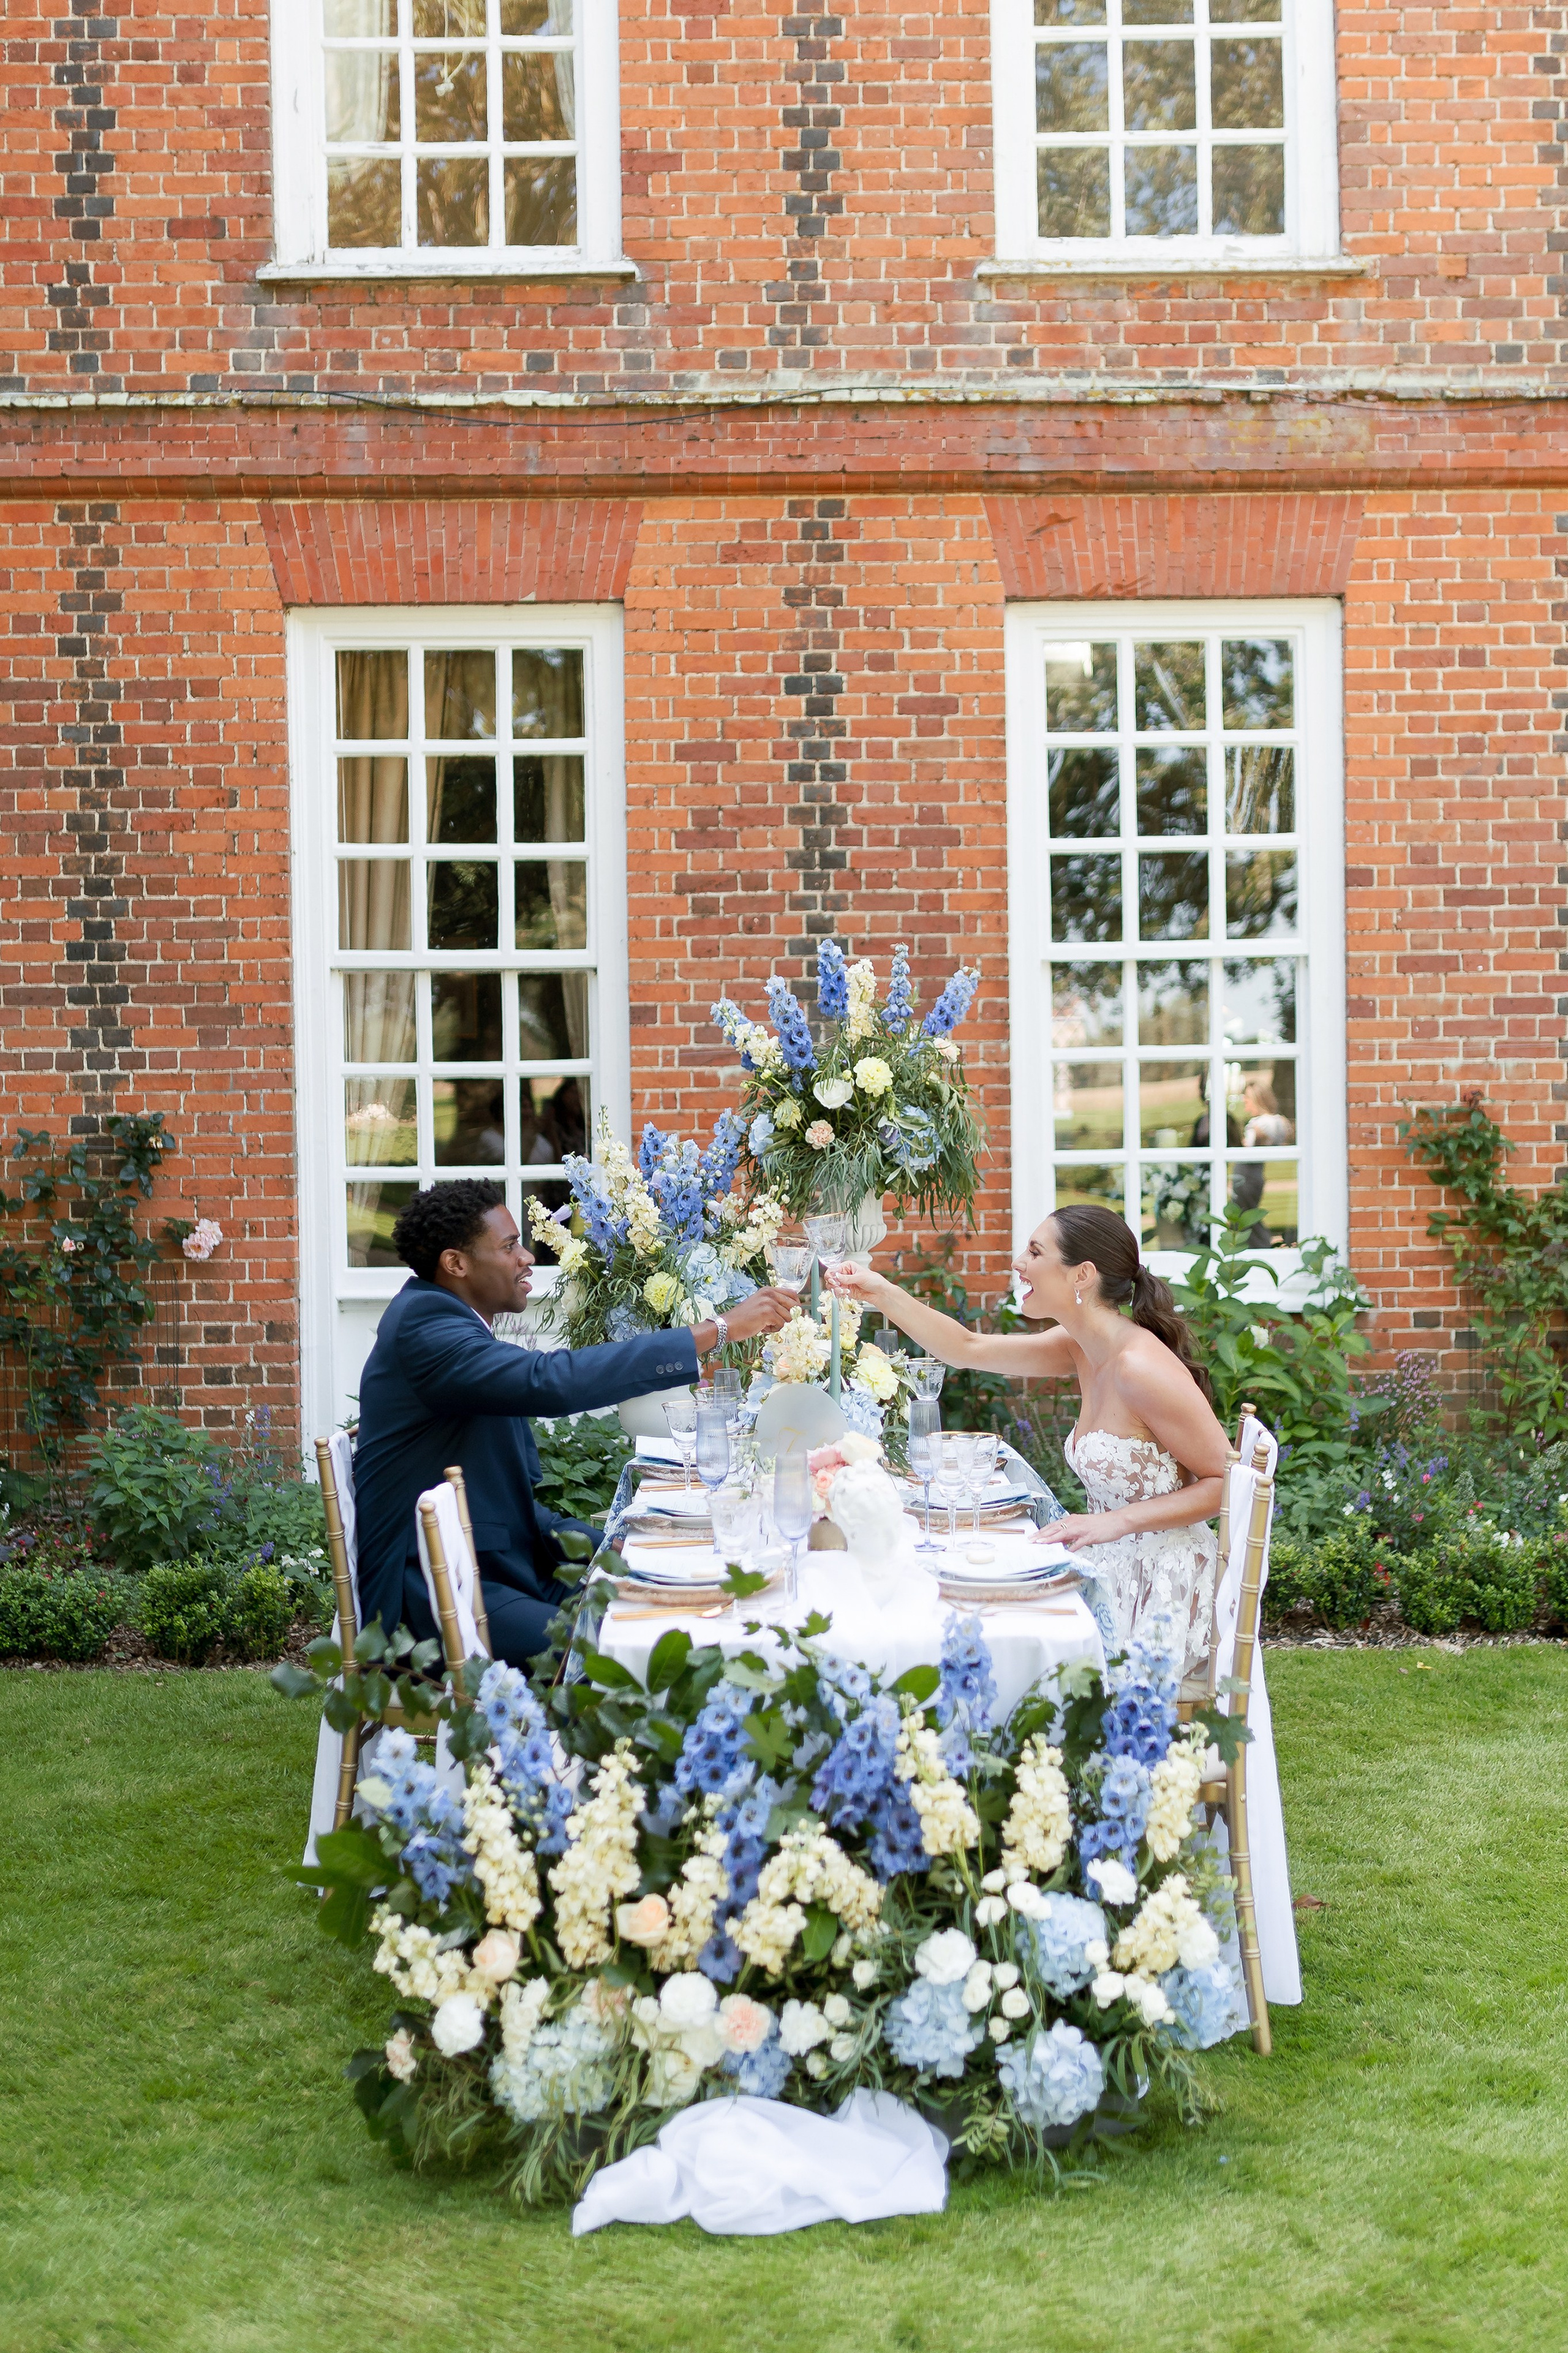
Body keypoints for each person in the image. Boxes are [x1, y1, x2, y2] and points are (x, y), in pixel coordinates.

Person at [353, 1178, 795, 1667]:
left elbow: (500, 1496)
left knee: (662, 1609)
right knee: (623, 1651)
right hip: (429, 1598)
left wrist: (613, 1540)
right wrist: (717, 1330)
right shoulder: (427, 1330)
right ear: (455, 1263)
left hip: (487, 1564)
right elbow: (551, 1383)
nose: (526, 1257)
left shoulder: (443, 1319)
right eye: (508, 1246)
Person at [826, 1203, 1229, 1677]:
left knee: (1012, 1655)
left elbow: (1226, 1482)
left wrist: (1117, 1522)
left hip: (1162, 1591)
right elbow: (966, 1349)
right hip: (1107, 1564)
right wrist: (880, 1290)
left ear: (1082, 1275)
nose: (1019, 1262)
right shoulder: (1082, 1345)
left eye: (1035, 1251)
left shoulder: (1138, 1366)